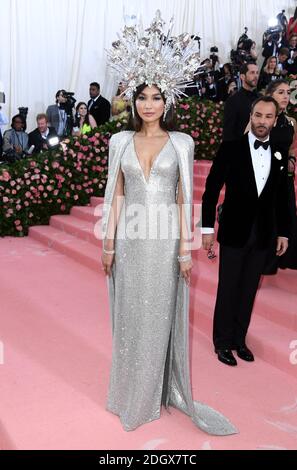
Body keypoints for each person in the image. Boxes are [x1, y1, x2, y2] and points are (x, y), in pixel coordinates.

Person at [101, 11, 237, 435]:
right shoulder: (118, 141)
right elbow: (116, 193)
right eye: (142, 96)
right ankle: (129, 392)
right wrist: (108, 244)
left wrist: (184, 251)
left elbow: (184, 198)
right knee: (128, 317)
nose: (149, 104)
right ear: (133, 100)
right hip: (129, 239)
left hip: (163, 244)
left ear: (168, 101)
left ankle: (153, 395)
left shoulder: (181, 142)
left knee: (157, 316)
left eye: (157, 97)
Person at [202, 97, 289, 367]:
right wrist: (207, 228)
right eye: (258, 115)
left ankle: (239, 340)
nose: (262, 121)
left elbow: (283, 196)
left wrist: (284, 232)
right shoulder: (231, 148)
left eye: (268, 117)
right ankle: (223, 343)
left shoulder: (279, 152)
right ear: (251, 115)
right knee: (229, 288)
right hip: (234, 231)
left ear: (275, 120)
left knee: (249, 289)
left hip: (263, 234)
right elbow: (211, 190)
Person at [264, 80, 297, 271]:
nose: (285, 96)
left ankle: (282, 258)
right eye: (281, 92)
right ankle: (264, 260)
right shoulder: (261, 117)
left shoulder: (292, 121)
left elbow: (292, 146)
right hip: (265, 175)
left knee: (284, 214)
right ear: (270, 95)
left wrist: (292, 160)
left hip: (284, 176)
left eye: (288, 92)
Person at [223, 62, 259, 141]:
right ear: (242, 76)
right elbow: (228, 133)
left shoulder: (262, 99)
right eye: (252, 73)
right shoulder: (232, 101)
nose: (256, 76)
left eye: (257, 73)